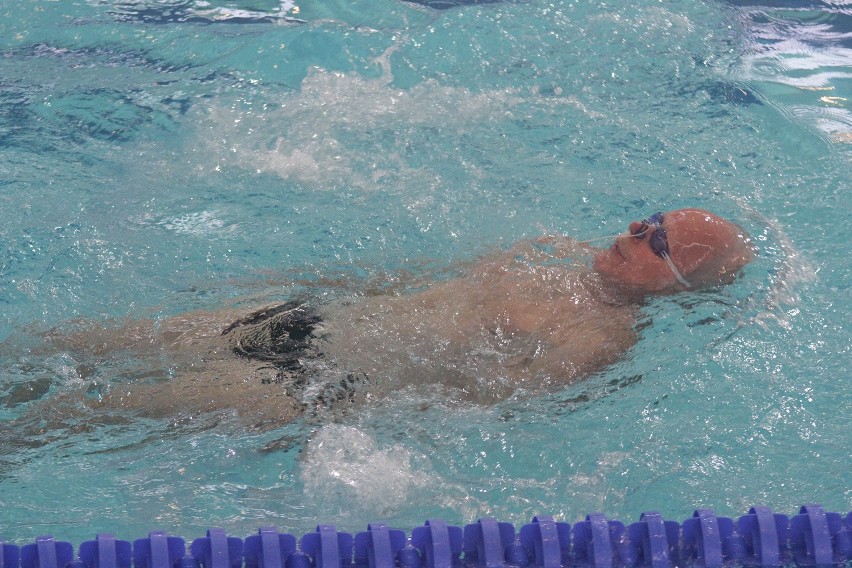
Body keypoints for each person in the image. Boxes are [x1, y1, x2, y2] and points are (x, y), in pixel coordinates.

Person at [30, 208, 753, 431]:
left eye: (658, 243)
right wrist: (269, 287)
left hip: (324, 386)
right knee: (61, 346)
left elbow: (476, 404)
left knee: (85, 414)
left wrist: (349, 420)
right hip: (310, 318)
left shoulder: (600, 340)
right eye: (646, 218)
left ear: (678, 284)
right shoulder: (547, 251)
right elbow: (403, 282)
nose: (633, 232)